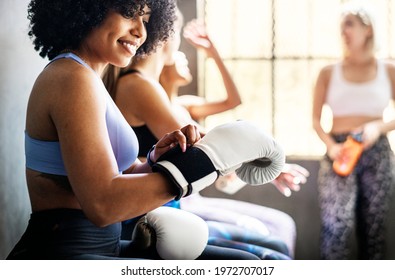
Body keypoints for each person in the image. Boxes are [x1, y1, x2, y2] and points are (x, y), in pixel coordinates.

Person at [7, 0, 265, 260]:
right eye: (131, 14)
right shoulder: (72, 78)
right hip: (68, 254)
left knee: (246, 262)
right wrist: (197, 170)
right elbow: (102, 205)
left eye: (145, 20)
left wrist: (155, 160)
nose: (141, 32)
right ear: (86, 10)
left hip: (103, 246)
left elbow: (121, 171)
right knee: (247, 264)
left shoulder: (87, 78)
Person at [103, 11, 309, 259]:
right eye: (177, 34)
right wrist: (255, 154)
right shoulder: (138, 85)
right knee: (272, 256)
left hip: (168, 206)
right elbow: (203, 147)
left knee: (276, 245)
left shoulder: (147, 87)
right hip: (157, 211)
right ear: (165, 35)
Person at [312, 1, 395, 260]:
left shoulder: (389, 70)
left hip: (377, 151)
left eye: (349, 25)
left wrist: (377, 127)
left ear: (367, 29)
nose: (343, 32)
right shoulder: (328, 72)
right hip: (339, 152)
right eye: (341, 27)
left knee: (373, 229)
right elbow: (315, 120)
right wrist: (331, 146)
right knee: (335, 226)